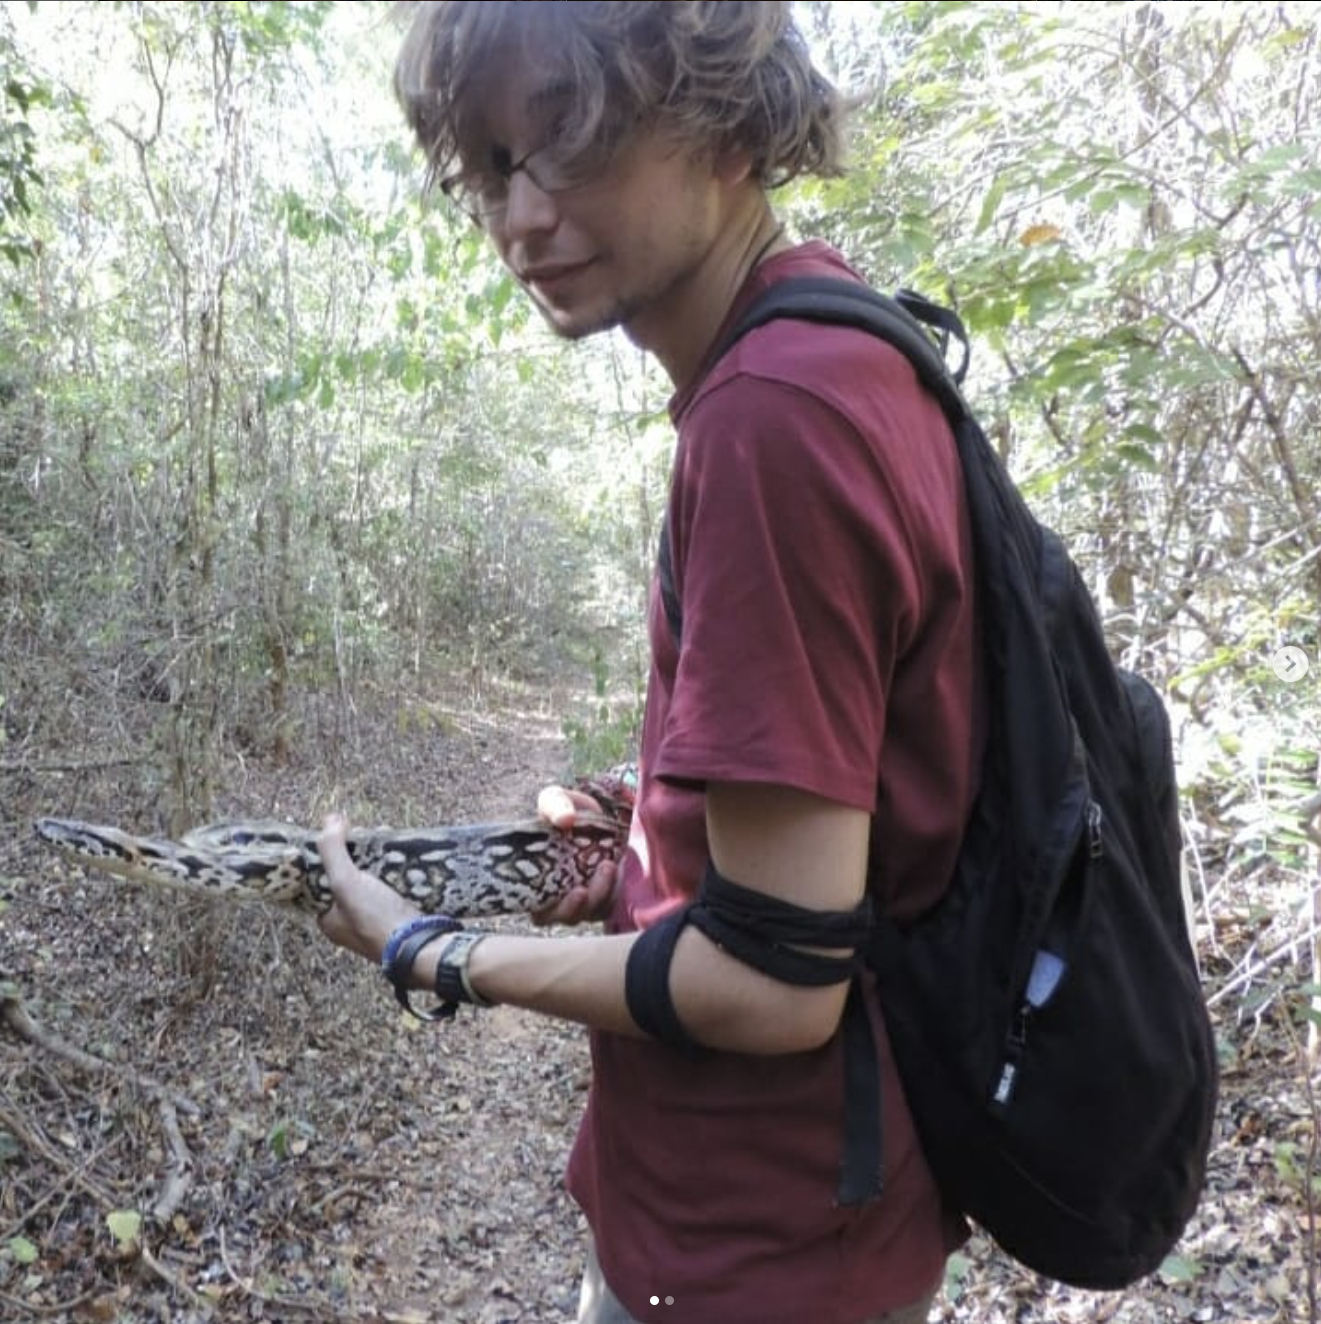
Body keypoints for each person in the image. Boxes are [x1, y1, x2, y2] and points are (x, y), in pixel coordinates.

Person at [316, 4, 984, 1322]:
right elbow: (857, 816)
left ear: (724, 118)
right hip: (793, 1222)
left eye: (568, 138)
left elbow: (777, 982)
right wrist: (656, 846)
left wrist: (432, 950)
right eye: (491, 165)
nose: (521, 213)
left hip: (763, 1253)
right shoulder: (838, 342)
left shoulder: (772, 419)